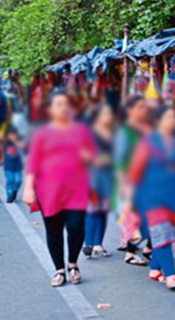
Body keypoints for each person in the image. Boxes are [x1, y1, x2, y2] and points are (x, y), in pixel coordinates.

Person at [23, 90, 96, 287]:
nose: (62, 108)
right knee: (53, 229)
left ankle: (73, 263)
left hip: (77, 188)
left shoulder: (81, 131)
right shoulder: (41, 134)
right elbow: (33, 163)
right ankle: (59, 269)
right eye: (58, 105)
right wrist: (29, 188)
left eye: (65, 104)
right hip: (49, 190)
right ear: (50, 109)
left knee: (76, 226)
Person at [128, 105, 175, 291]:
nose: (173, 121)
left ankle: (155, 268)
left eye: (174, 117)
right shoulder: (148, 142)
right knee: (161, 233)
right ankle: (171, 274)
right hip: (151, 196)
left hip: (174, 195)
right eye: (169, 117)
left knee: (167, 233)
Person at [114, 96, 151, 266]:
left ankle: (147, 248)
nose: (144, 110)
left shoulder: (145, 129)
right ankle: (130, 251)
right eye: (140, 107)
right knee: (136, 217)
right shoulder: (125, 132)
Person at [83, 105, 115, 259]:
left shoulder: (114, 133)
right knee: (92, 209)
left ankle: (98, 244)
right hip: (93, 177)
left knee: (103, 211)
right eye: (105, 113)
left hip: (109, 177)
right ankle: (88, 243)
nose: (108, 116)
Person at [4, 126, 24, 203]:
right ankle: (9, 195)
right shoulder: (5, 143)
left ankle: (14, 191)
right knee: (10, 180)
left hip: (18, 166)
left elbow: (24, 148)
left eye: (14, 134)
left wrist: (16, 142)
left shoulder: (19, 142)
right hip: (8, 166)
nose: (12, 136)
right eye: (10, 135)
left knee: (18, 181)